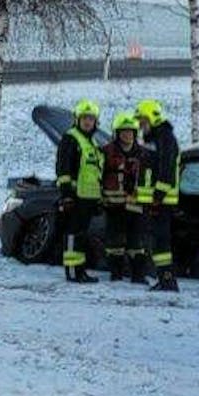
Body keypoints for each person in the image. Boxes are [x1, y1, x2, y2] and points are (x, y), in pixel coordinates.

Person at [55, 99, 104, 283]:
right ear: (77, 119)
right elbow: (63, 170)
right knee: (73, 235)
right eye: (84, 118)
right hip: (75, 198)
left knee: (81, 236)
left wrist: (97, 199)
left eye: (91, 119)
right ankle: (73, 272)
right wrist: (67, 195)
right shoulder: (71, 138)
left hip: (88, 199)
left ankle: (80, 270)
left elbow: (94, 173)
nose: (87, 122)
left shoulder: (91, 142)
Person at [135, 99, 181, 292]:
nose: (140, 125)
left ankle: (167, 279)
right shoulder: (156, 138)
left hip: (160, 200)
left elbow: (166, 168)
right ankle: (164, 278)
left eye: (143, 120)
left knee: (161, 240)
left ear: (152, 118)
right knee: (157, 240)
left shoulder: (165, 137)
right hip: (154, 199)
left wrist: (158, 196)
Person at [100, 112, 149, 283]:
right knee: (115, 244)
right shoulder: (106, 152)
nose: (127, 135)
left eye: (130, 132)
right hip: (113, 206)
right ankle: (116, 275)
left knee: (137, 244)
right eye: (124, 131)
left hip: (136, 205)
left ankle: (138, 276)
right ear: (117, 133)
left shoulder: (143, 154)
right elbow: (98, 175)